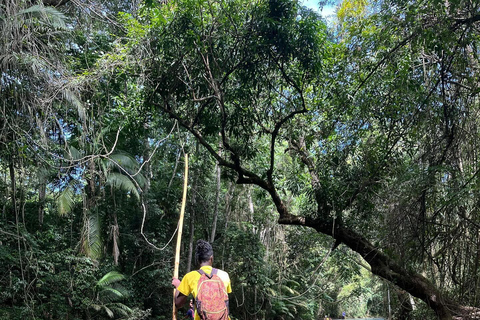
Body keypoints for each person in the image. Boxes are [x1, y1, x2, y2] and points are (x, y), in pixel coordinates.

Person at [172, 239, 232, 320]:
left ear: (198, 260)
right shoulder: (224, 275)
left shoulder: (190, 277)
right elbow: (225, 300)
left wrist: (178, 286)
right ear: (211, 258)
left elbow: (178, 304)